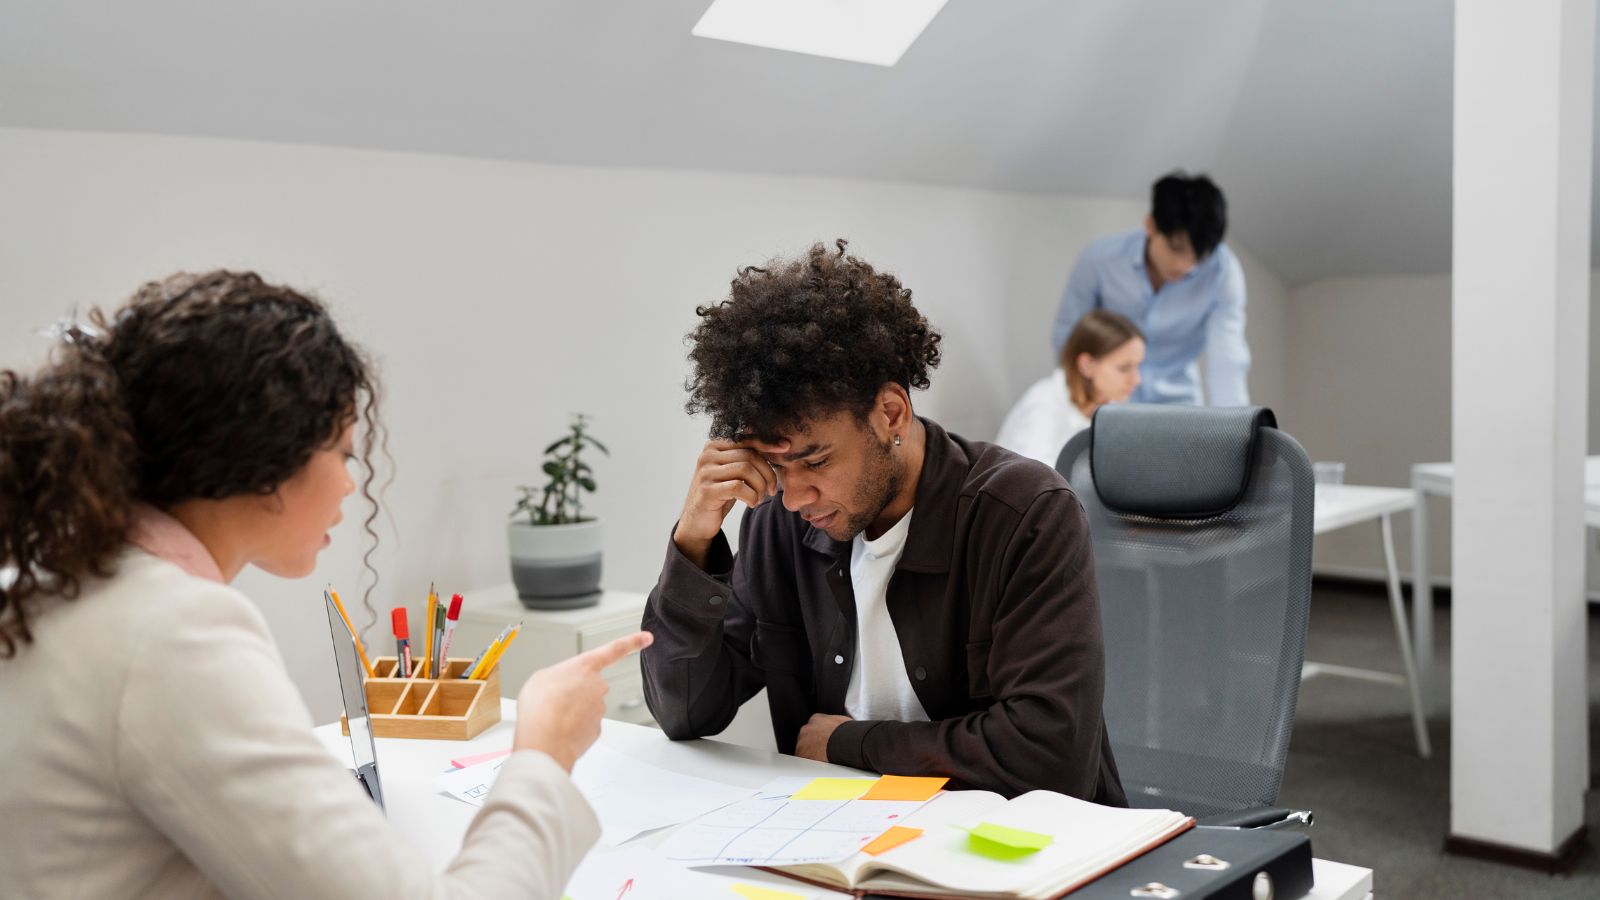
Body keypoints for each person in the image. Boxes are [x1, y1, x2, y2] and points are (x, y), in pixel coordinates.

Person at [0, 271, 651, 899]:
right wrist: (543, 753)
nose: (351, 483)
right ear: (264, 456)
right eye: (342, 452)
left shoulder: (53, 576)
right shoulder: (172, 632)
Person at [640, 241, 1125, 804]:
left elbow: (1049, 756)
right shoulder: (778, 524)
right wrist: (694, 542)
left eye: (816, 461)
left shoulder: (1025, 513)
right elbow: (684, 712)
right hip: (844, 841)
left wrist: (853, 744)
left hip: (1020, 853)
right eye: (776, 466)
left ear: (890, 413)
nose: (793, 496)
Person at [1051, 171, 1249, 407]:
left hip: (1179, 399)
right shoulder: (1099, 259)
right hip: (1106, 400)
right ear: (1151, 225)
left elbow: (1227, 357)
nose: (1185, 266)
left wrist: (1237, 428)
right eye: (1176, 248)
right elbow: (1069, 337)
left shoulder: (1223, 273)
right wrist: (1082, 403)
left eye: (1198, 257)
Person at [997, 310, 1145, 466]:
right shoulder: (1043, 405)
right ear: (1086, 365)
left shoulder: (1111, 408)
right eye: (1124, 368)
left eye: (1138, 366)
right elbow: (1035, 481)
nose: (1137, 380)